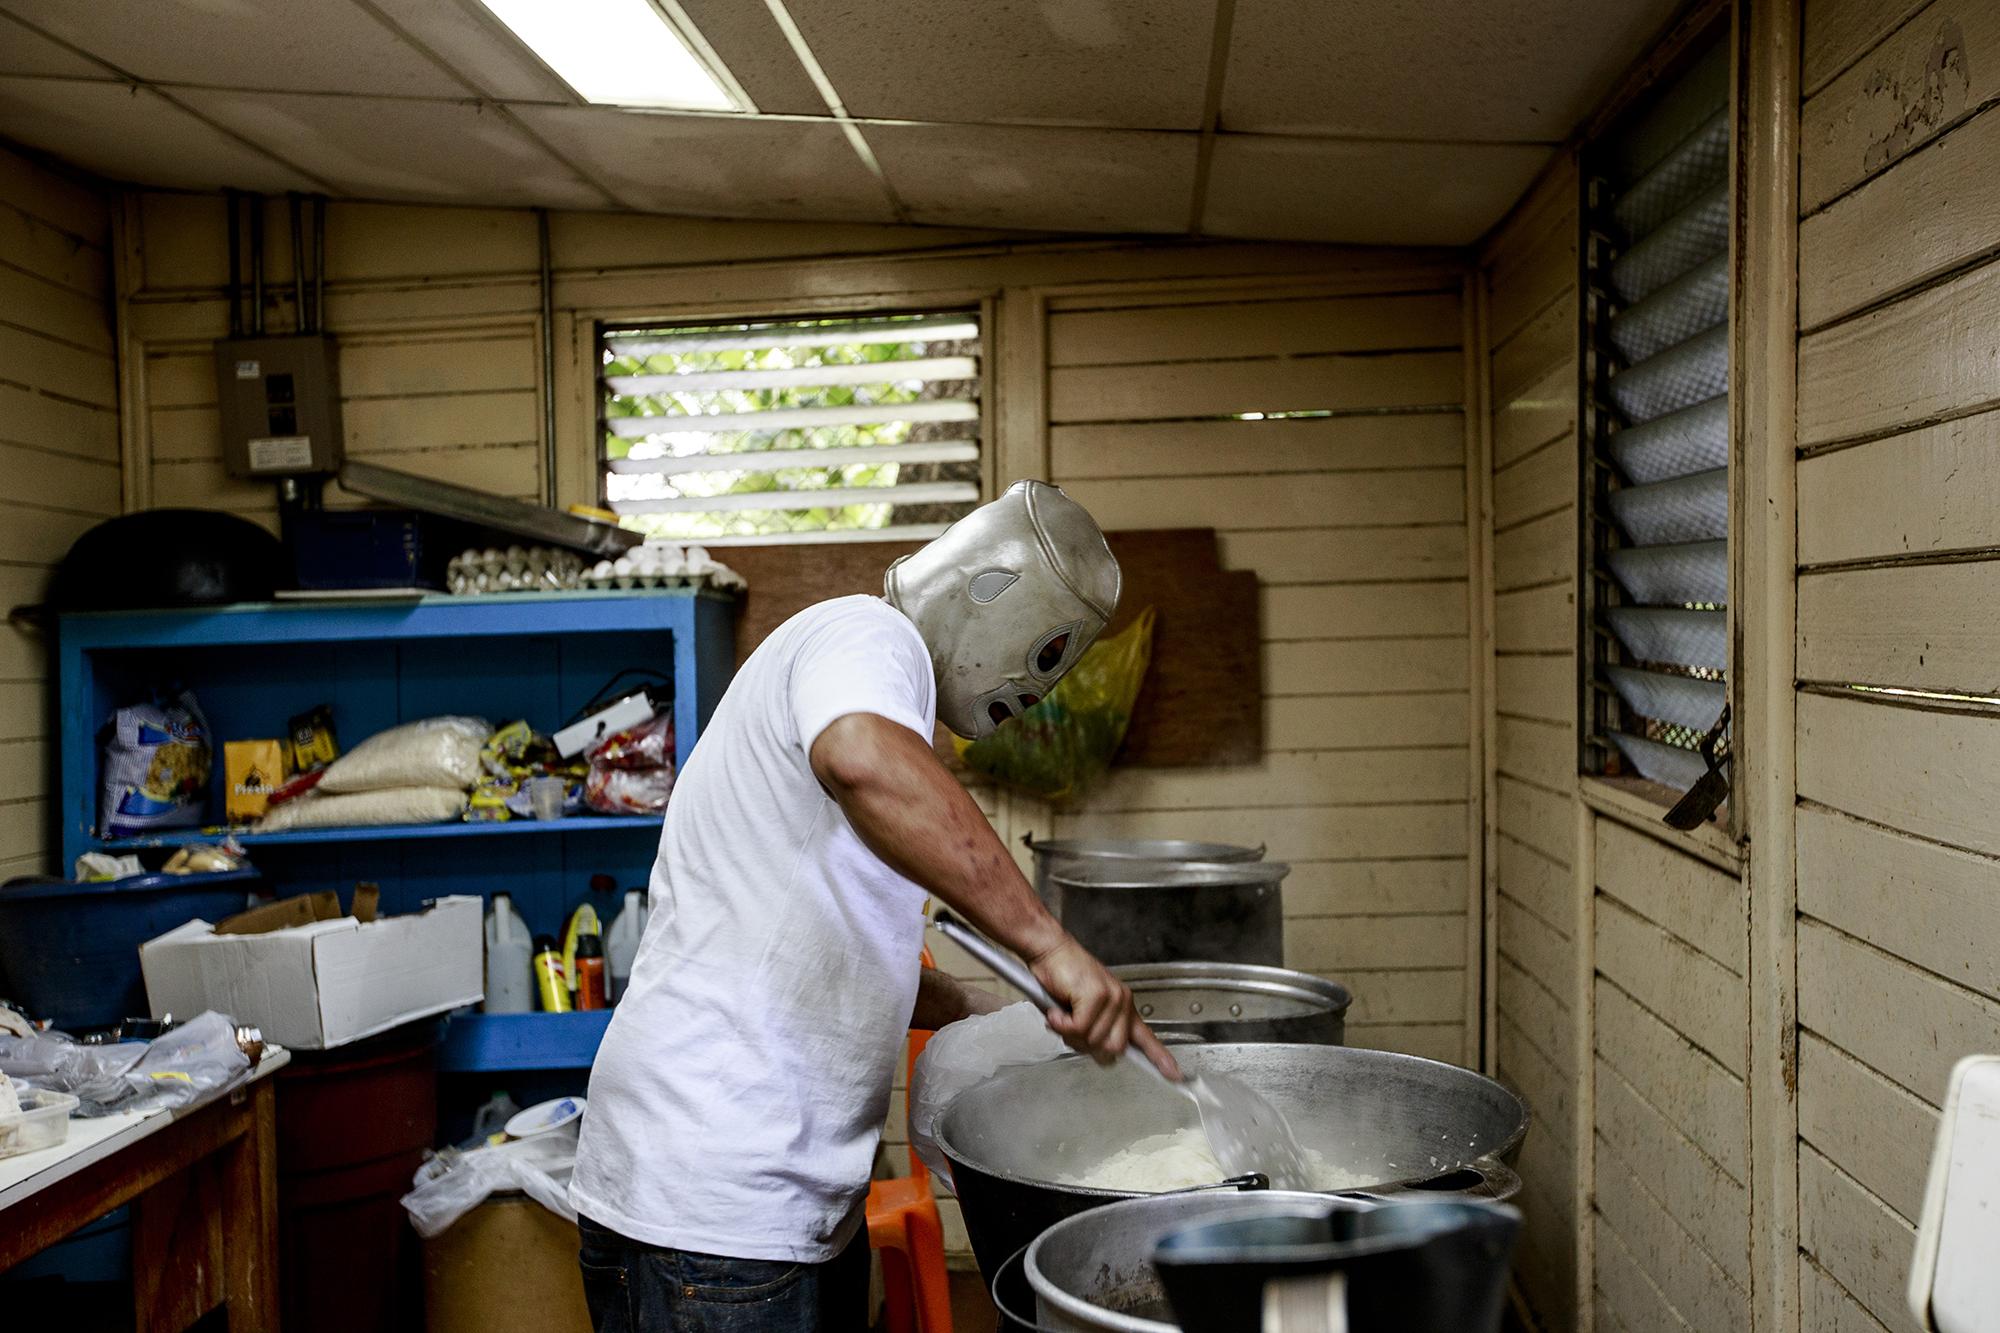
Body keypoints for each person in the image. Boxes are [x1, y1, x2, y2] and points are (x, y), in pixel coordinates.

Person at [571, 480, 1180, 1331]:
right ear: (983, 594)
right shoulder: (864, 635)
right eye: (1043, 658)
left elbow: (833, 944)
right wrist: (1051, 945)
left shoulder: (875, 700)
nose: (1032, 692)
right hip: (718, 1216)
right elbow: (860, 754)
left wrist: (991, 1013)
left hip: (756, 1209)